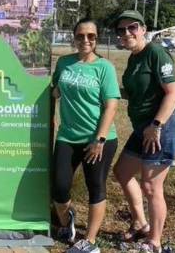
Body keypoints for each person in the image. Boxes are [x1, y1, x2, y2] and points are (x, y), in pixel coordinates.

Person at [112, 10, 175, 253]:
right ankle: (140, 223)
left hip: (161, 125)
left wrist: (156, 126)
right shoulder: (134, 58)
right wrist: (106, 91)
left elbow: (173, 92)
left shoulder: (155, 52)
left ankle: (154, 241)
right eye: (121, 30)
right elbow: (134, 93)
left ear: (143, 29)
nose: (126, 33)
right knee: (122, 172)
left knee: (151, 186)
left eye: (132, 27)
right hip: (142, 127)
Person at [52, 19, 120, 253]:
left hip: (98, 139)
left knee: (96, 187)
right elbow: (54, 90)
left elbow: (111, 106)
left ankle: (90, 241)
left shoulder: (104, 67)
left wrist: (99, 140)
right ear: (74, 37)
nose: (85, 40)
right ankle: (66, 221)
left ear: (97, 38)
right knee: (59, 187)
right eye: (81, 36)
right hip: (67, 136)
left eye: (91, 36)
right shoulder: (63, 63)